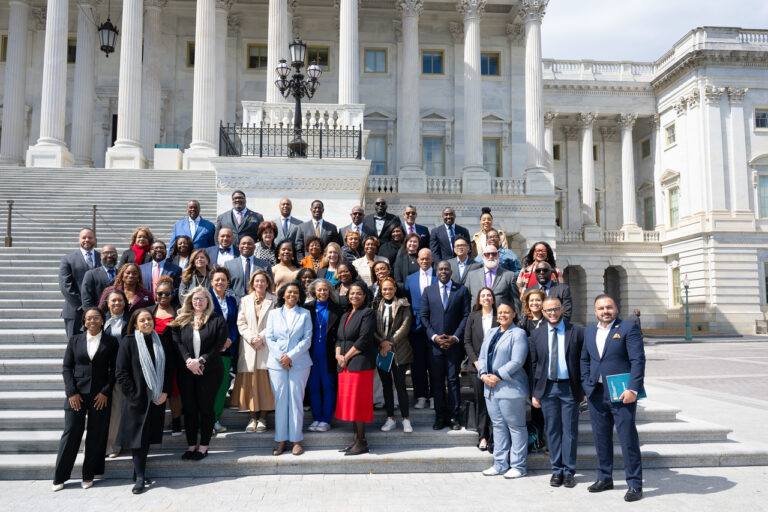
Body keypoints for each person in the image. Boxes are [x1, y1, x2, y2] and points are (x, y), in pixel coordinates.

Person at [581, 294, 646, 502]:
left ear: (616, 308)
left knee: (628, 439)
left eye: (609, 307)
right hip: (596, 393)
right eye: (601, 308)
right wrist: (586, 384)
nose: (605, 311)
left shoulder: (628, 329)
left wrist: (633, 389)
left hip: (621, 393)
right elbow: (585, 360)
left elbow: (638, 360)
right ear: (595, 311)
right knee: (601, 438)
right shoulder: (589, 332)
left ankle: (635, 484)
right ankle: (605, 477)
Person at [52, 307, 118, 492]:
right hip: (77, 395)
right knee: (71, 432)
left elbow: (114, 371)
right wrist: (71, 392)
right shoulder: (75, 340)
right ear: (84, 321)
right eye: (89, 318)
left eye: (96, 317)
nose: (93, 321)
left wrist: (105, 392)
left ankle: (89, 474)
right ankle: (60, 476)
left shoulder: (111, 342)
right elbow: (67, 367)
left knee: (96, 435)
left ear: (103, 320)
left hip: (99, 396)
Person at [115, 309, 174, 494]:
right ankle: (140, 478)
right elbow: (121, 372)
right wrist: (133, 394)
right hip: (136, 400)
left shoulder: (161, 340)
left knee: (146, 438)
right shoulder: (129, 341)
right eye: (142, 320)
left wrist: (165, 391)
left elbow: (170, 368)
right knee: (137, 439)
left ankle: (137, 472)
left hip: (156, 398)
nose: (147, 322)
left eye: (149, 319)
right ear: (135, 324)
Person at [530, 296, 585, 489]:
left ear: (561, 309)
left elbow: (582, 361)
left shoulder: (577, 331)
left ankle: (569, 471)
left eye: (555, 309)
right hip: (547, 388)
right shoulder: (537, 335)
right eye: (548, 310)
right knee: (552, 430)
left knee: (569, 431)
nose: (552, 313)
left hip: (569, 387)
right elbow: (534, 365)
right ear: (543, 313)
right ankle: (556, 470)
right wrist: (535, 393)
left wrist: (584, 389)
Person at [171, 287, 228, 461]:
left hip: (209, 371)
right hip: (187, 371)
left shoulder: (217, 319)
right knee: (189, 409)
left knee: (205, 408)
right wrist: (189, 360)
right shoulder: (182, 319)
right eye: (195, 299)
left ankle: (203, 447)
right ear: (190, 300)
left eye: (202, 299)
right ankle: (190, 446)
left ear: (208, 301)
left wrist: (201, 361)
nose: (198, 302)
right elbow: (177, 341)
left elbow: (218, 344)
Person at [478, 302, 529, 479]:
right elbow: (482, 356)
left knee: (516, 427)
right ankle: (500, 464)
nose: (502, 315)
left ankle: (518, 466)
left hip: (510, 388)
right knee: (498, 426)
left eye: (506, 312)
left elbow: (517, 361)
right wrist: (483, 374)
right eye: (500, 312)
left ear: (514, 314)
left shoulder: (518, 333)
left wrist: (497, 375)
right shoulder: (491, 332)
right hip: (490, 388)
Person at [420, 260, 471, 430]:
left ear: (451, 271)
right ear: (437, 271)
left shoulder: (462, 290)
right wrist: (434, 337)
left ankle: (455, 417)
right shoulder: (428, 291)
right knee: (437, 382)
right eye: (440, 269)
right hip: (435, 346)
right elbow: (424, 317)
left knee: (453, 380)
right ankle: (440, 416)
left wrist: (455, 337)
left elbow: (466, 316)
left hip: (454, 345)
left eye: (446, 269)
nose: (443, 271)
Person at [264, 282, 313, 456]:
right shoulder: (274, 314)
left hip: (299, 363)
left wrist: (290, 356)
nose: (292, 294)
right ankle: (280, 440)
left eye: (296, 292)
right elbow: (269, 337)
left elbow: (306, 340)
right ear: (283, 294)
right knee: (281, 401)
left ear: (299, 296)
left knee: (296, 401)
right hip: (277, 364)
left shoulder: (305, 314)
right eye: (289, 292)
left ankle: (296, 440)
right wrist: (282, 358)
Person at [335, 283, 377, 455]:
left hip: (359, 364)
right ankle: (356, 440)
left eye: (359, 293)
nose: (355, 296)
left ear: (365, 296)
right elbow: (339, 338)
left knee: (359, 405)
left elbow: (364, 339)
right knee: (352, 405)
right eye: (352, 293)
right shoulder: (346, 314)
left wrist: (346, 357)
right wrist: (338, 355)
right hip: (345, 365)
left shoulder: (368, 313)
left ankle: (362, 441)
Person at [234, 270, 277, 433]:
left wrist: (261, 338)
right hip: (249, 346)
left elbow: (275, 322)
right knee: (251, 385)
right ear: (252, 283)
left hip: (266, 346)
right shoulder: (245, 300)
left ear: (268, 283)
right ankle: (252, 418)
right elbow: (241, 323)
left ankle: (263, 418)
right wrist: (252, 338)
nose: (260, 284)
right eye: (257, 281)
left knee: (265, 384)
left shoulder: (274, 300)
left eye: (263, 281)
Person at [375, 277, 414, 433]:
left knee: (400, 386)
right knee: (386, 386)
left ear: (395, 289)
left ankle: (406, 419)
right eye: (384, 289)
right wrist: (381, 343)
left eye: (390, 288)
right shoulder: (376, 305)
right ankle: (390, 418)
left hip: (400, 351)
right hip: (383, 351)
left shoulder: (404, 304)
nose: (387, 291)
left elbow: (405, 326)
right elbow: (374, 328)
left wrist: (389, 342)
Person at [305, 279, 343, 432]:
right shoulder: (307, 308)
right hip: (311, 353)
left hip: (328, 354)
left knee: (328, 386)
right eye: (319, 290)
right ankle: (317, 418)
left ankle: (326, 419)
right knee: (313, 386)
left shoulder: (337, 310)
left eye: (325, 290)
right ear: (314, 291)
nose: (322, 292)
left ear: (330, 291)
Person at [147, 278, 183, 438]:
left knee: (175, 392)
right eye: (159, 293)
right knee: (155, 390)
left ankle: (176, 423)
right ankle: (155, 424)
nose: (163, 296)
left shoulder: (179, 311)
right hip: (153, 358)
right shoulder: (148, 311)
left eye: (167, 293)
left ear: (172, 294)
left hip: (174, 358)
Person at [463, 287, 498, 452]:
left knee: (496, 403)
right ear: (478, 299)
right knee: (481, 402)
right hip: (476, 367)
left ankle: (495, 437)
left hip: (496, 368)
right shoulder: (473, 317)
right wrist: (476, 362)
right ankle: (482, 436)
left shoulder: (500, 316)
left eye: (489, 295)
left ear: (493, 298)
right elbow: (467, 341)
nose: (486, 298)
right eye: (483, 295)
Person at [207, 266, 239, 433]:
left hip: (226, 349)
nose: (220, 282)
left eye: (223, 280)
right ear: (211, 282)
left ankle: (215, 419)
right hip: (208, 350)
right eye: (217, 279)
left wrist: (230, 340)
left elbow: (233, 324)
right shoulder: (205, 298)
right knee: (207, 387)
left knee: (221, 386)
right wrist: (217, 342)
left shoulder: (232, 300)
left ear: (228, 282)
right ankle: (204, 421)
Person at [403, 248, 435, 409]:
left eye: (427, 258)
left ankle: (435, 396)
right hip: (416, 328)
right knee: (418, 364)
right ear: (417, 260)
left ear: (432, 259)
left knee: (435, 363)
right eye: (421, 259)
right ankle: (421, 396)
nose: (424, 261)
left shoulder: (439, 276)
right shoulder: (410, 279)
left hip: (435, 328)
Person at [103, 289, 131, 458]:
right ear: (107, 303)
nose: (116, 303)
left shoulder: (130, 319)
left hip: (121, 369)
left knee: (116, 409)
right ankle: (98, 443)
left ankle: (113, 446)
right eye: (113, 300)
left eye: (120, 300)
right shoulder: (100, 318)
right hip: (102, 369)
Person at [59, 228, 100, 339]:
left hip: (98, 311)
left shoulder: (102, 257)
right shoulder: (68, 259)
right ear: (79, 240)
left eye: (90, 237)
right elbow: (66, 286)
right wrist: (82, 305)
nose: (87, 240)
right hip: (75, 311)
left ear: (95, 240)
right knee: (74, 346)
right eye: (84, 237)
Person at [467, 245, 521, 316]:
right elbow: (466, 300)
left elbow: (515, 302)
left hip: (501, 320)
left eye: (494, 254)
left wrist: (518, 320)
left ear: (498, 256)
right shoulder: (471, 276)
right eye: (487, 254)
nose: (491, 257)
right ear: (483, 257)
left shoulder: (509, 276)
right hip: (477, 320)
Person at [81, 244, 118, 309]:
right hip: (100, 314)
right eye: (106, 253)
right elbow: (86, 299)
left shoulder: (122, 274)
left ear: (117, 256)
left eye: (112, 253)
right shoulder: (91, 274)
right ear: (100, 256)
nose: (109, 256)